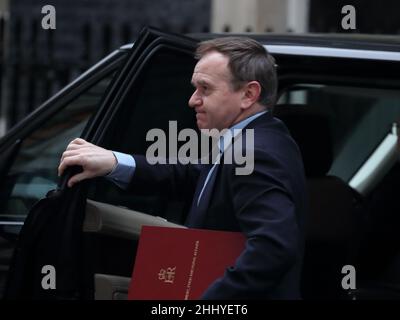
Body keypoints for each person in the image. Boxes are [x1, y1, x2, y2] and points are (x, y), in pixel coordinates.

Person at [58, 37, 307, 299]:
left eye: (205, 89)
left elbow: (273, 248)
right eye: (194, 88)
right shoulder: (250, 141)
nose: (192, 100)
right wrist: (114, 162)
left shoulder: (255, 151)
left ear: (248, 94)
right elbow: (196, 175)